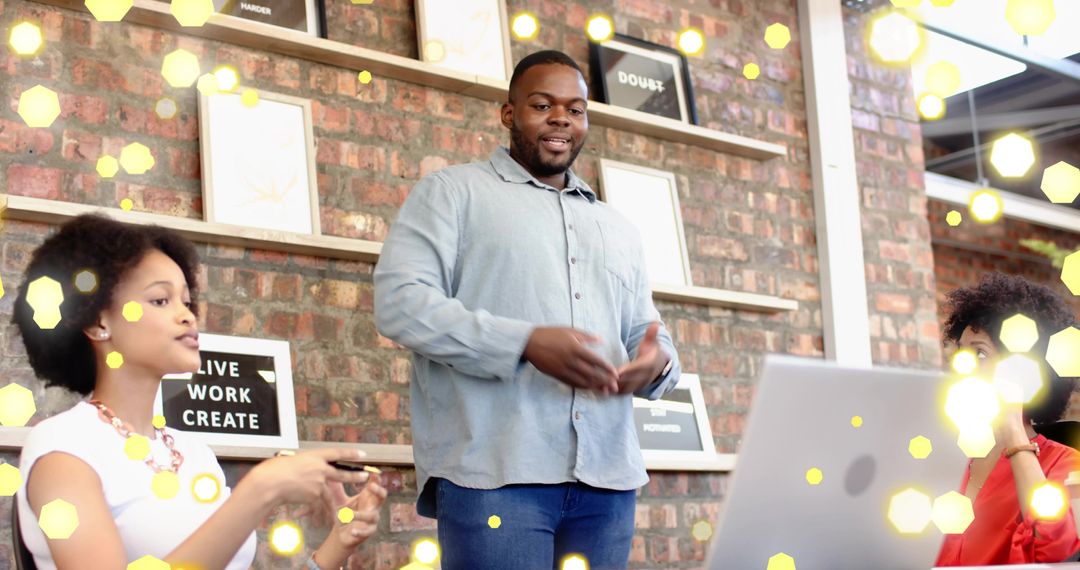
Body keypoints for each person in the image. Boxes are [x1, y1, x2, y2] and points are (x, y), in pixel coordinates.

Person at [373, 49, 681, 569]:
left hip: (608, 482)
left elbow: (646, 330)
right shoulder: (451, 193)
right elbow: (401, 303)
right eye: (543, 105)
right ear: (509, 113)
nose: (561, 117)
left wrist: (658, 364)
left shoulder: (619, 228)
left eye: (576, 109)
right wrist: (524, 342)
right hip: (494, 478)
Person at [13, 214, 387, 570]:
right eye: (161, 300)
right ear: (97, 322)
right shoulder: (62, 451)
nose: (188, 316)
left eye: (187, 302)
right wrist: (259, 490)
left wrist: (338, 543)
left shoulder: (194, 455)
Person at [936, 272, 1080, 566]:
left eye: (980, 354)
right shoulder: (941, 459)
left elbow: (1056, 553)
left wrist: (1013, 427)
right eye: (960, 354)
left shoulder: (1066, 465)